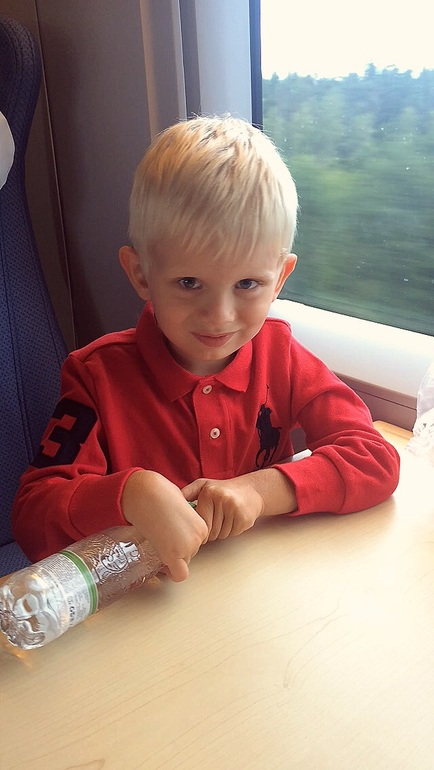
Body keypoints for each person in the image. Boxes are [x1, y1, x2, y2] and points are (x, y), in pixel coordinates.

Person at [12, 116, 400, 581]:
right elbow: (33, 517)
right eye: (189, 283)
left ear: (280, 279)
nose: (219, 316)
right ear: (141, 275)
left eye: (248, 284)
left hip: (254, 584)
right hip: (147, 596)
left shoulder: (280, 355)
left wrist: (257, 491)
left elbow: (374, 459)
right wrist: (128, 494)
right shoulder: (97, 376)